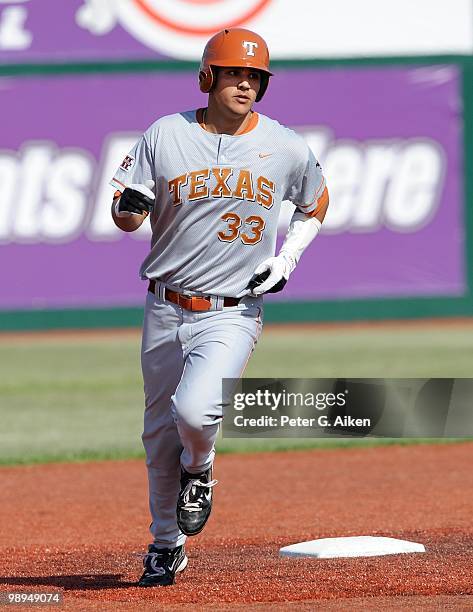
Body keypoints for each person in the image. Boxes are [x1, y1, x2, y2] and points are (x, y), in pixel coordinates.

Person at [110, 27, 329, 587]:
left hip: (232, 309)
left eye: (255, 77)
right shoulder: (166, 134)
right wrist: (128, 209)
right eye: (234, 73)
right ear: (208, 77)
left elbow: (317, 201)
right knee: (159, 433)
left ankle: (200, 468)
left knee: (195, 412)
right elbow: (127, 213)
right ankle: (165, 545)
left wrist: (287, 261)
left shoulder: (283, 145)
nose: (246, 85)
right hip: (164, 306)